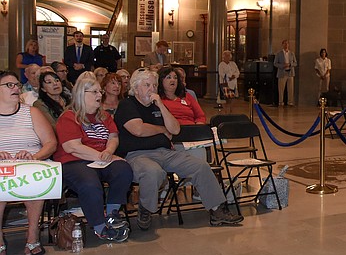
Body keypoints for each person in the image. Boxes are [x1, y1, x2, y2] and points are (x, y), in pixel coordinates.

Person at [114, 69, 243, 229]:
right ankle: (145, 209)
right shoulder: (127, 104)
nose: (152, 89)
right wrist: (161, 129)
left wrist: (161, 105)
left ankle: (218, 211)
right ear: (135, 87)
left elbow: (175, 129)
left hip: (166, 152)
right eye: (147, 85)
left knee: (201, 166)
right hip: (138, 155)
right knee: (154, 172)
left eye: (154, 85)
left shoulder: (157, 105)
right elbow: (138, 129)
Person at [54, 76, 133, 242]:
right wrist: (103, 156)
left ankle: (112, 213)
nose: (100, 95)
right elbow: (72, 147)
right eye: (95, 92)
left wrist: (109, 152)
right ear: (82, 94)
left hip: (101, 158)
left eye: (100, 91)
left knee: (123, 169)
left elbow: (113, 137)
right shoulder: (68, 117)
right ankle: (99, 227)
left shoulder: (103, 115)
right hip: (74, 160)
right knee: (90, 183)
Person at [0, 71, 57, 255]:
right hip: (2, 168)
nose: (16, 88)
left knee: (36, 180)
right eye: (9, 85)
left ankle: (32, 237)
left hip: (30, 164)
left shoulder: (31, 112)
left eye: (17, 84)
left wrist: (34, 156)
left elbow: (50, 143)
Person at [275, 39, 297, 106]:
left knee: (290, 89)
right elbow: (275, 63)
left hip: (290, 73)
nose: (286, 45)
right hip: (282, 73)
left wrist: (290, 65)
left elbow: (295, 63)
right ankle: (281, 102)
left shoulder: (292, 53)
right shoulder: (279, 54)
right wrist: (283, 65)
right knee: (281, 89)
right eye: (284, 43)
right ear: (282, 45)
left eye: (287, 43)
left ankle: (290, 102)